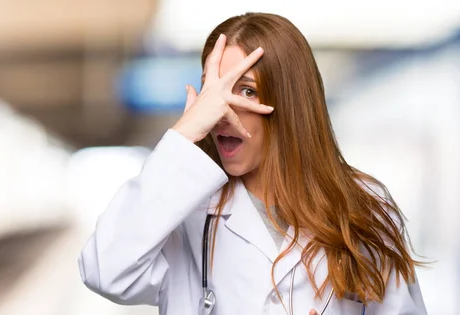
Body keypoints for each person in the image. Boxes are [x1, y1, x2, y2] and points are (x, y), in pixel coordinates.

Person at [78, 12, 427, 315]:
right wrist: (183, 134)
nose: (223, 112)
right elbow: (105, 270)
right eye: (213, 91)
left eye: (245, 91)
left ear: (289, 101)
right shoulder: (185, 212)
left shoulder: (364, 206)